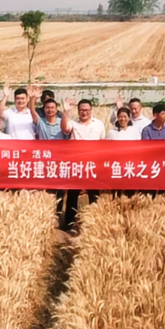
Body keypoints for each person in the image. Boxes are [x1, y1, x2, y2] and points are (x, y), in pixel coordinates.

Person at [60, 98, 104, 231]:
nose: (84, 112)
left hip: (93, 164)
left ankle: (95, 222)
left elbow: (103, 143)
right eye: (82, 110)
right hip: (77, 163)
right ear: (78, 111)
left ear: (91, 110)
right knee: (73, 194)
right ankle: (69, 223)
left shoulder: (99, 124)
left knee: (94, 194)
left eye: (87, 110)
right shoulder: (73, 123)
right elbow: (64, 128)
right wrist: (66, 112)